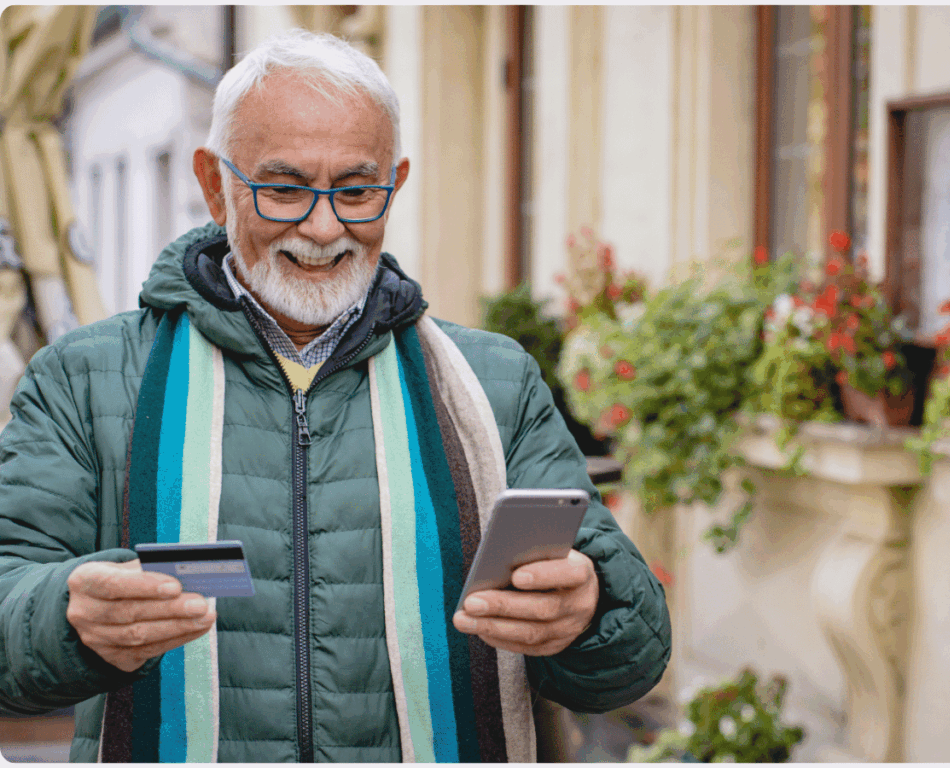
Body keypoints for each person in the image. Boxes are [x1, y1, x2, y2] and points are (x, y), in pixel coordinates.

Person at [0, 30, 670, 763]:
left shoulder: (494, 381)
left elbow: (633, 654)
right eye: (283, 187)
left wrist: (587, 611)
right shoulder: (85, 376)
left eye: (356, 191)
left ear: (396, 181)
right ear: (213, 183)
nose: (323, 228)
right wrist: (65, 613)